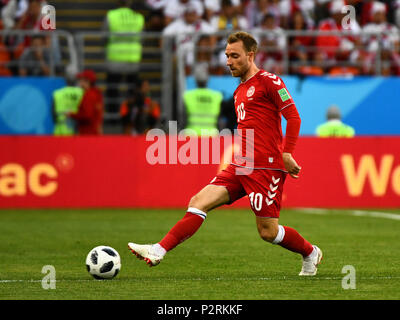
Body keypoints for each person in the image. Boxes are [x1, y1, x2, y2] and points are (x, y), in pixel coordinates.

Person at [128, 31, 323, 276]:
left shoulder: (270, 81)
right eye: (227, 56)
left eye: (234, 56)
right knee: (198, 202)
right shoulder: (239, 91)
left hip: (266, 167)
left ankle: (310, 252)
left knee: (268, 232)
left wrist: (287, 153)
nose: (228, 61)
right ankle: (158, 250)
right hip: (242, 164)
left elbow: (293, 117)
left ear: (250, 55)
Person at [103, 0, 145, 113]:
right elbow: (142, 38)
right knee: (132, 89)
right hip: (133, 57)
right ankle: (131, 114)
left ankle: (112, 116)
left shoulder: (111, 15)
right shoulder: (139, 17)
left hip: (115, 57)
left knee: (112, 89)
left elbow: (104, 35)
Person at [182, 64, 223, 136]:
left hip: (192, 136)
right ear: (208, 79)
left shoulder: (188, 96)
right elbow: (220, 120)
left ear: (195, 79)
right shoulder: (217, 96)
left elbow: (183, 119)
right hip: (211, 136)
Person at [68, 70, 104, 135]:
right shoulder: (96, 93)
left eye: (81, 80)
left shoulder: (88, 95)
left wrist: (71, 114)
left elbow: (87, 115)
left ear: (88, 81)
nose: (79, 83)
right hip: (95, 131)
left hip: (87, 133)